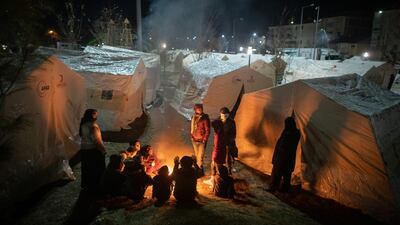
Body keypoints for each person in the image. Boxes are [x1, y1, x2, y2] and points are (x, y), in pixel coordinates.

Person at [267, 116, 300, 193]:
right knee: (285, 175)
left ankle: (276, 189)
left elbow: (285, 145)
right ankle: (281, 189)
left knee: (280, 174)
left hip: (284, 158)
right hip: (285, 158)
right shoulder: (289, 132)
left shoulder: (292, 133)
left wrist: (278, 157)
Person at [79, 109, 106, 191]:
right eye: (95, 114)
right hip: (93, 151)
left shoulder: (83, 125)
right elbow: (97, 141)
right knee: (96, 169)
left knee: (87, 168)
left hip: (85, 150)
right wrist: (103, 150)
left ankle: (86, 184)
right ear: (92, 115)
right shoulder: (93, 126)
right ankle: (95, 185)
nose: (97, 116)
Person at [204, 119, 226, 185]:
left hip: (218, 153)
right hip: (219, 152)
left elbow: (218, 146)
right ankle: (213, 179)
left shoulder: (219, 135)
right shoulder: (220, 132)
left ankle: (217, 182)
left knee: (217, 167)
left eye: (214, 127)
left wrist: (215, 156)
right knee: (213, 166)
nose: (213, 128)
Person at [190, 104, 210, 176]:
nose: (200, 110)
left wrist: (204, 139)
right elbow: (192, 127)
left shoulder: (204, 118)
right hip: (194, 139)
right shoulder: (194, 117)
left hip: (201, 140)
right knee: (196, 155)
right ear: (195, 110)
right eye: (198, 109)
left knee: (200, 156)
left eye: (201, 109)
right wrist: (192, 136)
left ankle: (200, 171)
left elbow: (207, 130)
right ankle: (197, 169)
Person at [220, 107, 237, 175]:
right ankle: (220, 169)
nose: (224, 116)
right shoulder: (219, 120)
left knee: (227, 157)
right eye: (222, 115)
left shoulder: (231, 122)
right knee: (220, 156)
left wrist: (230, 141)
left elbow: (233, 133)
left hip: (227, 143)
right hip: (220, 142)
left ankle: (229, 169)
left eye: (225, 115)